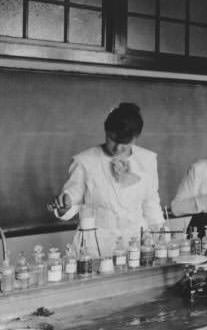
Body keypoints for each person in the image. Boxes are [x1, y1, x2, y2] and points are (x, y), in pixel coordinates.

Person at [48, 102, 164, 256]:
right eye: (112, 139)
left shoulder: (148, 159)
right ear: (106, 131)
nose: (117, 148)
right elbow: (71, 200)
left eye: (125, 144)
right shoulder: (85, 161)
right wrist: (65, 204)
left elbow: (151, 203)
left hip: (136, 242)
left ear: (136, 138)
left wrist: (161, 236)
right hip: (96, 245)